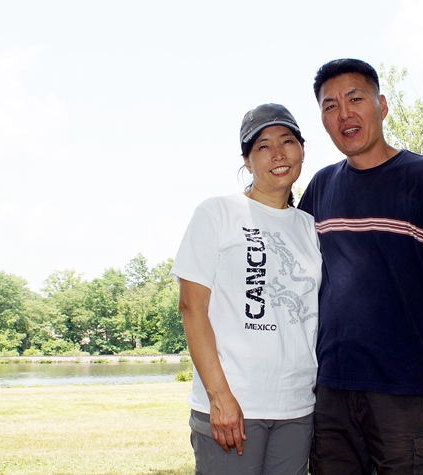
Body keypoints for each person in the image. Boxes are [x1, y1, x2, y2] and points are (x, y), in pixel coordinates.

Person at [298, 59, 423, 475]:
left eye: (355, 99)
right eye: (330, 106)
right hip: (329, 391)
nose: (344, 114)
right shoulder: (321, 187)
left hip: (405, 387)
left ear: (381, 106)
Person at [170, 103, 321, 475]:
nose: (278, 154)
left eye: (287, 141)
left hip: (296, 406)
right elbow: (191, 307)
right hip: (233, 406)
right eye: (263, 146)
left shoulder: (309, 226)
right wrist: (219, 396)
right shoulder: (216, 213)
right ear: (247, 161)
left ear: (302, 150)